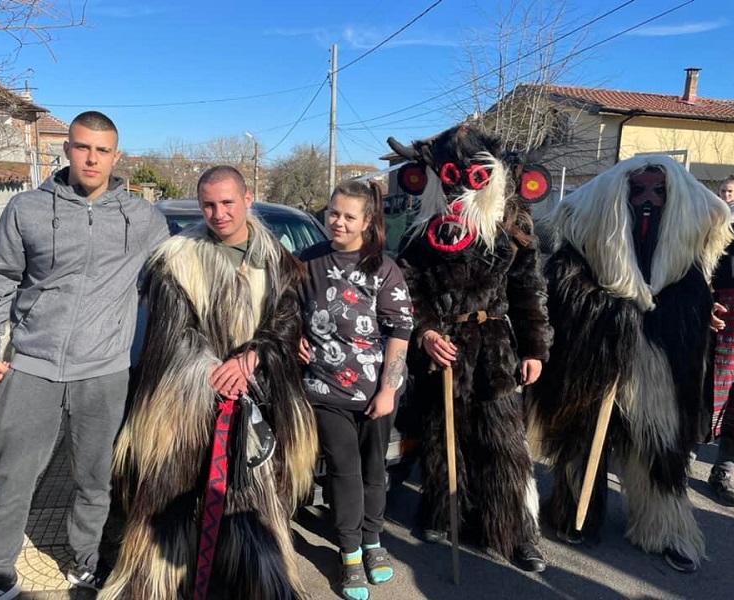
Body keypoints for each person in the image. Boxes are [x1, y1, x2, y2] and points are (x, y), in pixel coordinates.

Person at [0, 111, 170, 600]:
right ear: (67, 150)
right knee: (12, 477)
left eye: (102, 150)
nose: (92, 158)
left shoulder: (143, 219)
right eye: (83, 147)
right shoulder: (27, 209)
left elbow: (177, 281)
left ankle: (84, 562)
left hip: (104, 372)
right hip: (32, 366)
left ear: (116, 156)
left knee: (95, 480)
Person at [100, 166, 318, 600]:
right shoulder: (176, 260)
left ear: (247, 198)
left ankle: (253, 580)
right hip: (184, 402)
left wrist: (253, 359)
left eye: (227, 203)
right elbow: (174, 332)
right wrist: (216, 376)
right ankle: (157, 582)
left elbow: (287, 320)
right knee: (171, 494)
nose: (218, 213)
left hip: (259, 401)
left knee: (254, 502)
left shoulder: (278, 261)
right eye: (209, 204)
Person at [527, 155, 733, 573]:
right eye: (638, 191)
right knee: (581, 441)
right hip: (594, 360)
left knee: (659, 447)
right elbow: (564, 287)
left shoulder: (682, 256)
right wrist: (611, 312)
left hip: (656, 362)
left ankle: (665, 529)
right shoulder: (586, 242)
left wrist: (685, 314)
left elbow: (691, 297)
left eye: (658, 192)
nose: (648, 200)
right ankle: (575, 512)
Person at [388, 123, 555, 573]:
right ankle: (447, 513)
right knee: (445, 438)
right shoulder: (423, 232)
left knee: (505, 444)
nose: (460, 182)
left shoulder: (512, 227)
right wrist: (425, 332)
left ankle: (518, 532)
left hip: (495, 350)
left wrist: (535, 349)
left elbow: (529, 290)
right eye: (451, 173)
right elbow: (409, 287)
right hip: (443, 351)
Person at [298, 180, 413, 600]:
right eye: (333, 213)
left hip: (375, 394)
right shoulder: (305, 262)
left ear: (367, 221)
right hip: (323, 389)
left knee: (374, 472)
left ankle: (373, 542)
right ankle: (348, 554)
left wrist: (389, 390)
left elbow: (400, 331)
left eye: (348, 216)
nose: (338, 222)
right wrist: (293, 332)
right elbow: (281, 307)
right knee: (344, 473)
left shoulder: (383, 268)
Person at [707, 173, 734, 506]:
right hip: (724, 317)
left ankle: (724, 470)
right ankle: (681, 459)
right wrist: (705, 303)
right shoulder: (722, 226)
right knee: (707, 389)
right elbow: (699, 267)